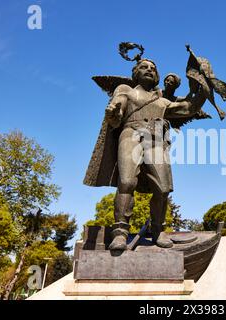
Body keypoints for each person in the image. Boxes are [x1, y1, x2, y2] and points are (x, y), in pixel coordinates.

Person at [84, 58, 206, 251]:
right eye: (144, 67)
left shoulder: (162, 101)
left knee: (163, 188)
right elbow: (117, 114)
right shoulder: (126, 90)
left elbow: (189, 108)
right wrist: (113, 113)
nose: (149, 70)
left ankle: (158, 231)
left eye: (152, 68)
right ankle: (120, 233)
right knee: (126, 182)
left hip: (155, 138)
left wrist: (204, 87)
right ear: (136, 72)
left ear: (156, 76)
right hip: (130, 133)